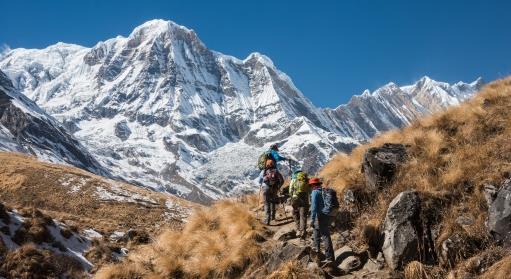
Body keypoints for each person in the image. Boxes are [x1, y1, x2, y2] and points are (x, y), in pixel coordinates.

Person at [309, 177, 335, 268]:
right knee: (317, 233)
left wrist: (312, 219)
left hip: (319, 216)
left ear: (312, 185)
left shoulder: (315, 192)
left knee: (324, 235)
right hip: (326, 215)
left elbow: (314, 207)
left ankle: (328, 258)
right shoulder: (323, 191)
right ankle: (319, 257)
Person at [258, 160, 284, 225]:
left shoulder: (263, 171)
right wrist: (278, 187)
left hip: (266, 188)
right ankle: (273, 217)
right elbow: (282, 180)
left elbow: (259, 181)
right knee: (273, 202)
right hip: (274, 188)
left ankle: (267, 221)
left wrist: (262, 183)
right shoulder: (276, 171)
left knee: (267, 204)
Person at [289, 170, 310, 239]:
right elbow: (309, 191)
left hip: (295, 199)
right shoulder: (306, 180)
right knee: (303, 216)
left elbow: (290, 190)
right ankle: (303, 231)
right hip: (305, 199)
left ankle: (298, 230)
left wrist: (292, 196)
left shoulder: (294, 180)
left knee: (295, 213)